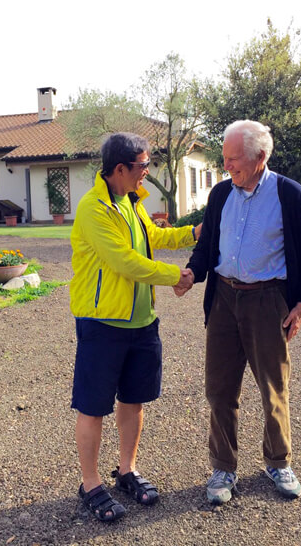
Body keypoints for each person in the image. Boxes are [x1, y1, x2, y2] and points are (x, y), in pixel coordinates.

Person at [176, 120, 301, 502]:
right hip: (224, 300)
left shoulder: (290, 196)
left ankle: (278, 462)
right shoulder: (221, 194)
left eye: (233, 159)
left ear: (260, 157)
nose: (226, 166)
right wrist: (193, 273)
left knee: (274, 388)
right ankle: (223, 468)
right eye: (224, 158)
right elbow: (207, 246)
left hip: (267, 301)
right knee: (219, 390)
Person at [70, 132, 200, 522]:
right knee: (93, 406)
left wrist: (193, 233)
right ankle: (90, 483)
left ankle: (127, 470)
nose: (147, 170)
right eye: (143, 165)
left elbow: (153, 236)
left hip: (142, 322)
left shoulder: (131, 200)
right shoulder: (94, 209)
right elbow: (124, 261)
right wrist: (176, 275)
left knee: (133, 399)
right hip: (102, 323)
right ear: (120, 168)